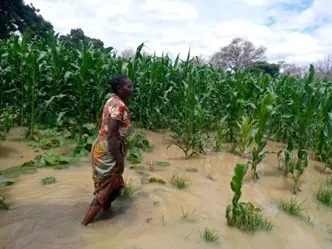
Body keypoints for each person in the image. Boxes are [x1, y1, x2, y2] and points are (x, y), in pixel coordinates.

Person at [81, 75, 133, 226]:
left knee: (114, 186)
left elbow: (102, 125)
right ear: (119, 89)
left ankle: (106, 214)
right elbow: (111, 136)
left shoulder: (111, 101)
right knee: (105, 191)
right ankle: (83, 226)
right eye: (128, 87)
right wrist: (120, 160)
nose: (131, 90)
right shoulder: (119, 106)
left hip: (101, 145)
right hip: (108, 149)